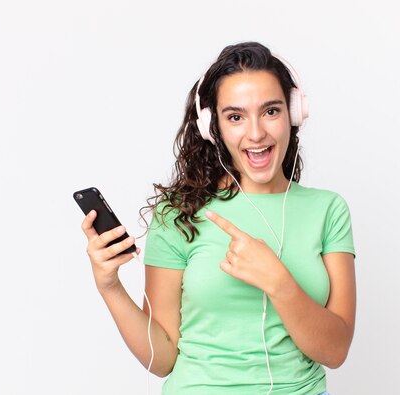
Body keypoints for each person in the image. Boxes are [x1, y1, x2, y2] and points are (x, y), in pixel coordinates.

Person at [80, 41, 356, 395]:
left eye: (270, 111)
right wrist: (110, 287)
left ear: (294, 113)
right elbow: (161, 359)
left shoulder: (328, 211)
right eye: (236, 117)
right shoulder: (180, 214)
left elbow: (335, 351)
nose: (256, 133)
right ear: (214, 127)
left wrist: (278, 282)